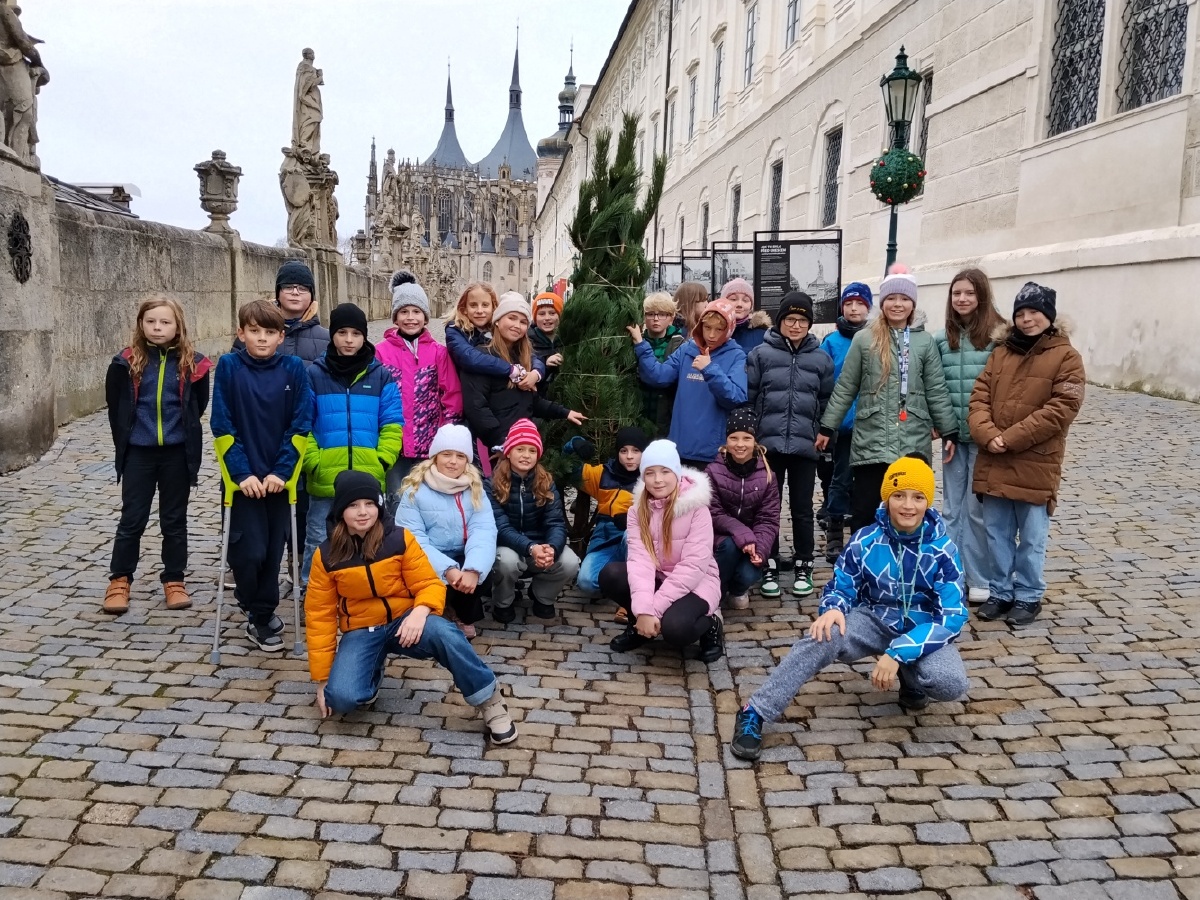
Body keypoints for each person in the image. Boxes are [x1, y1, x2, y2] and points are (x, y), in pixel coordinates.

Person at [731, 454, 970, 761]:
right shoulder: (864, 541)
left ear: (927, 502)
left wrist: (898, 653)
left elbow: (952, 617)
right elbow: (842, 586)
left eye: (917, 497)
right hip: (872, 619)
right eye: (899, 495)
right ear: (887, 499)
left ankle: (911, 679)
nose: (908, 505)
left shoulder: (943, 550)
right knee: (823, 634)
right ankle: (755, 711)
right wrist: (833, 607)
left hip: (921, 627)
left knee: (950, 682)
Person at [305, 470, 517, 743]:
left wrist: (420, 612)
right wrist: (323, 679)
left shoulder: (400, 539)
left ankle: (490, 701)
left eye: (369, 503)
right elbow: (319, 616)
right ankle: (371, 672)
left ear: (379, 505)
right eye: (353, 505)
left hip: (407, 620)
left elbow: (430, 583)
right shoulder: (326, 556)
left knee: (447, 634)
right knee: (342, 699)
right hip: (361, 629)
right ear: (340, 511)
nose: (363, 512)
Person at [969, 283, 1085, 628]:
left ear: (1048, 316)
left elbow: (1062, 407)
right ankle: (1001, 592)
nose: (1027, 319)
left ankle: (1029, 595)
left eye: (1034, 312)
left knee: (1032, 536)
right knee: (996, 533)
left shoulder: (1067, 357)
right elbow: (979, 397)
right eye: (1020, 313)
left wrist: (1010, 438)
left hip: (1036, 461)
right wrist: (988, 434)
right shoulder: (1000, 353)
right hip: (995, 458)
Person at [816, 265, 958, 533]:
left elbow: (936, 389)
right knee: (866, 511)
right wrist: (827, 426)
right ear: (882, 303)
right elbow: (846, 386)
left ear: (912, 303)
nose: (897, 304)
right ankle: (865, 556)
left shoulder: (924, 342)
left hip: (912, 437)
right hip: (872, 438)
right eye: (891, 298)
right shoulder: (864, 339)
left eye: (904, 298)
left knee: (907, 512)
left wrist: (948, 428)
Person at [211, 299, 313, 652]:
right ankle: (253, 603)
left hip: (279, 481)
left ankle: (261, 614)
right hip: (242, 481)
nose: (262, 338)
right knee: (247, 551)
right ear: (241, 333)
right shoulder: (229, 366)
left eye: (270, 332)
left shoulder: (293, 368)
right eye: (254, 331)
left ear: (281, 337)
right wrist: (242, 473)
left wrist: (282, 472)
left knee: (272, 552)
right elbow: (222, 424)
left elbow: (300, 424)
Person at [103, 295, 212, 614]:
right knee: (132, 518)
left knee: (174, 520)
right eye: (150, 321)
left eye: (165, 322)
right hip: (139, 453)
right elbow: (116, 407)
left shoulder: (194, 364)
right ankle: (120, 579)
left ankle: (174, 579)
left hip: (177, 453)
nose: (157, 327)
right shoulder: (124, 362)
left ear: (178, 326)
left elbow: (197, 406)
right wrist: (128, 442)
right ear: (141, 324)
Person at [302, 302, 403, 584]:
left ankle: (364, 590)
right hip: (326, 475)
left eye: (356, 334)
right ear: (332, 335)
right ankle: (313, 591)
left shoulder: (380, 376)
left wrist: (381, 460)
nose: (349, 340)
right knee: (318, 538)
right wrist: (313, 462)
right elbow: (303, 424)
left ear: (364, 336)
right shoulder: (315, 375)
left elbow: (392, 423)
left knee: (369, 538)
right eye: (342, 333)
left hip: (366, 474)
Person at [599, 440, 725, 662]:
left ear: (676, 473)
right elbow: (640, 561)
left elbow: (693, 566)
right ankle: (639, 626)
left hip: (696, 582)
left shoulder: (697, 509)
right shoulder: (637, 511)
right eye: (650, 473)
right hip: (658, 576)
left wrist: (653, 611)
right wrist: (643, 611)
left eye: (665, 471)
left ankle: (711, 624)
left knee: (675, 630)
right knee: (611, 575)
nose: (657, 480)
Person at [746, 293, 834, 598]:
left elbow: (827, 401)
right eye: (790, 319)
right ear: (780, 320)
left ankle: (803, 563)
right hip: (767, 445)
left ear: (809, 324)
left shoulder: (820, 358)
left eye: (802, 320)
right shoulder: (760, 354)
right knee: (768, 508)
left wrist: (825, 433)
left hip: (804, 445)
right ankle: (769, 563)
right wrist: (750, 435)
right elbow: (749, 397)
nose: (796, 325)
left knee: (802, 508)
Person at [934, 268, 1006, 605]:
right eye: (956, 293)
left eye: (969, 293)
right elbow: (937, 388)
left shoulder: (997, 338)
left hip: (983, 438)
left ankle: (979, 575)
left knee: (977, 510)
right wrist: (942, 425)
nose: (962, 299)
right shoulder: (942, 339)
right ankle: (950, 575)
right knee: (951, 509)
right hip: (953, 437)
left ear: (981, 296)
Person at [396, 424, 497, 639]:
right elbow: (413, 538)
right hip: (427, 557)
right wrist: (447, 569)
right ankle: (439, 608)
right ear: (435, 457)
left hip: (462, 555)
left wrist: (473, 568)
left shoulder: (475, 489)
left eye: (460, 456)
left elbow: (483, 530)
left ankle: (462, 614)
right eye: (446, 454)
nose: (453, 461)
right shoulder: (415, 490)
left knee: (484, 572)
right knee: (427, 575)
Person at [375, 270, 462, 502]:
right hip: (394, 444)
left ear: (425, 317)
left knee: (428, 500)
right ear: (395, 317)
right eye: (404, 312)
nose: (410, 318)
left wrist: (446, 433)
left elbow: (450, 395)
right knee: (396, 498)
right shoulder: (381, 352)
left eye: (416, 312)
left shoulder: (438, 353)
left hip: (429, 442)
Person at [630, 299, 747, 469]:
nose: (711, 335)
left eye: (719, 329)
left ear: (729, 330)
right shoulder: (687, 350)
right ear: (700, 326)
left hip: (711, 452)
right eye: (707, 327)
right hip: (679, 447)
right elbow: (659, 376)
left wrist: (709, 369)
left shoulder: (736, 355)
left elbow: (736, 398)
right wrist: (640, 344)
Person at [460, 293, 586, 451]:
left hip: (522, 444)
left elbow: (531, 401)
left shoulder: (521, 358)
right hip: (498, 446)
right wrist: (501, 442)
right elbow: (476, 408)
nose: (517, 325)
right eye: (512, 318)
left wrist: (565, 412)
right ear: (497, 321)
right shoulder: (482, 358)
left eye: (523, 322)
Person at [486, 420, 580, 624]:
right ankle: (503, 601)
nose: (526, 455)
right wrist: (530, 547)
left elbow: (555, 522)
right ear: (508, 452)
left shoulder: (547, 482)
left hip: (540, 546)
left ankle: (542, 596)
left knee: (570, 561)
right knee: (506, 561)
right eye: (520, 449)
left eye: (532, 450)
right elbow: (500, 527)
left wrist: (552, 548)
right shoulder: (491, 484)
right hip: (507, 546)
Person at [818, 282, 872, 562]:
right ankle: (835, 532)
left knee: (867, 483)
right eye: (849, 303)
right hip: (842, 424)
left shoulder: (877, 337)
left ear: (868, 308)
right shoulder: (831, 342)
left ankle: (864, 534)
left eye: (859, 304)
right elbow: (823, 381)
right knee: (839, 479)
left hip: (870, 424)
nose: (853, 308)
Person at [707, 409, 780, 610]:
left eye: (746, 438)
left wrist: (761, 548)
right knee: (730, 546)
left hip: (752, 542)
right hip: (720, 539)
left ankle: (738, 589)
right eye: (734, 438)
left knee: (750, 571)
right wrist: (742, 534)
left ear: (755, 441)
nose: (740, 444)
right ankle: (715, 593)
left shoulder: (768, 476)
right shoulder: (712, 471)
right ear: (726, 441)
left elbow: (768, 519)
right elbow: (713, 512)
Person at [562, 426, 648, 594]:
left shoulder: (649, 479)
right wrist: (574, 444)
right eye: (624, 451)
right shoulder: (603, 474)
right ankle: (618, 579)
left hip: (633, 539)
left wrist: (633, 520)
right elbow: (568, 469)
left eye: (636, 451)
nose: (629, 456)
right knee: (586, 582)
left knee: (631, 535)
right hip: (604, 538)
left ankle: (636, 589)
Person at [638, 292, 686, 437]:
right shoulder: (637, 340)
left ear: (671, 318)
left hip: (667, 413)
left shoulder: (679, 343)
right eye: (650, 314)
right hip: (640, 409)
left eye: (662, 314)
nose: (656, 319)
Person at [721, 277, 772, 355]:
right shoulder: (711, 331)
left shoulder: (764, 334)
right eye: (733, 299)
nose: (739, 304)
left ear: (751, 306)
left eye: (745, 300)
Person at [529, 291, 565, 393]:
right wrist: (545, 365)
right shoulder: (527, 341)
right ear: (535, 317)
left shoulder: (568, 339)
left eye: (552, 313)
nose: (547, 318)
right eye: (541, 314)